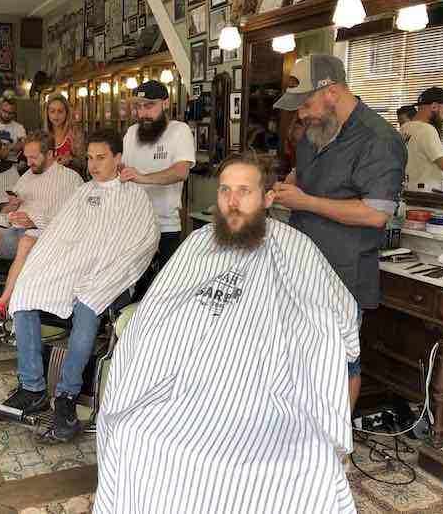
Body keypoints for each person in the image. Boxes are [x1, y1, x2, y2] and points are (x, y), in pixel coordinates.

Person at [94, 152, 360, 514]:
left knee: (307, 458)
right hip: (185, 385)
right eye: (224, 191)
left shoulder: (296, 249)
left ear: (267, 198)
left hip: (268, 394)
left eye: (244, 191)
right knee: (133, 432)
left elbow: (342, 322)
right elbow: (158, 309)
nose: (231, 203)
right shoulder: (197, 245)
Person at [4, 128, 159, 443]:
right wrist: (44, 268)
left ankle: (66, 397)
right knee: (27, 291)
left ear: (118, 158)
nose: (93, 164)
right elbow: (59, 235)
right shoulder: (82, 193)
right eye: (89, 158)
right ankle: (33, 387)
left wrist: (102, 273)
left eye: (101, 158)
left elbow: (143, 243)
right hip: (72, 269)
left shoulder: (134, 196)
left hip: (110, 277)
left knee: (88, 304)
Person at [272, 54, 406, 412]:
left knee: (340, 360)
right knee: (297, 356)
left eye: (306, 104)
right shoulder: (316, 131)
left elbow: (375, 214)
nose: (300, 115)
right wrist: (283, 188)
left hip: (343, 274)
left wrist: (306, 202)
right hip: (300, 265)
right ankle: (303, 433)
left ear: (332, 90)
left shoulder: (379, 140)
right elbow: (302, 178)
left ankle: (336, 446)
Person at [0, 131, 83, 320]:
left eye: (34, 157)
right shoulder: (27, 177)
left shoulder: (71, 180)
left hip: (46, 238)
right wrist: (8, 211)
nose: (29, 163)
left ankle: (2, 304)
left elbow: (74, 220)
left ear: (49, 154)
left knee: (27, 241)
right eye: (27, 157)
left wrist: (35, 221)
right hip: (17, 231)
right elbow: (8, 213)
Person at [120, 79, 196, 299]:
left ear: (165, 103)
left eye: (149, 106)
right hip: (132, 225)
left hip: (164, 226)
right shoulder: (132, 133)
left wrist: (142, 178)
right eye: (139, 107)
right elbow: (121, 169)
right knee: (130, 290)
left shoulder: (179, 131)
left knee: (161, 294)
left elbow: (181, 171)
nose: (143, 113)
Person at [401, 87, 443, 193]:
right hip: (425, 194)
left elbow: (434, 158)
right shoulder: (426, 129)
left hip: (409, 191)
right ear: (434, 106)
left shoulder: (405, 127)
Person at [45, 94, 85, 171]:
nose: (56, 115)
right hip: (49, 180)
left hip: (72, 180)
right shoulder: (44, 135)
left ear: (66, 113)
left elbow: (84, 163)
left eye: (60, 111)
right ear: (47, 113)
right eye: (52, 111)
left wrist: (70, 159)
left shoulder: (75, 133)